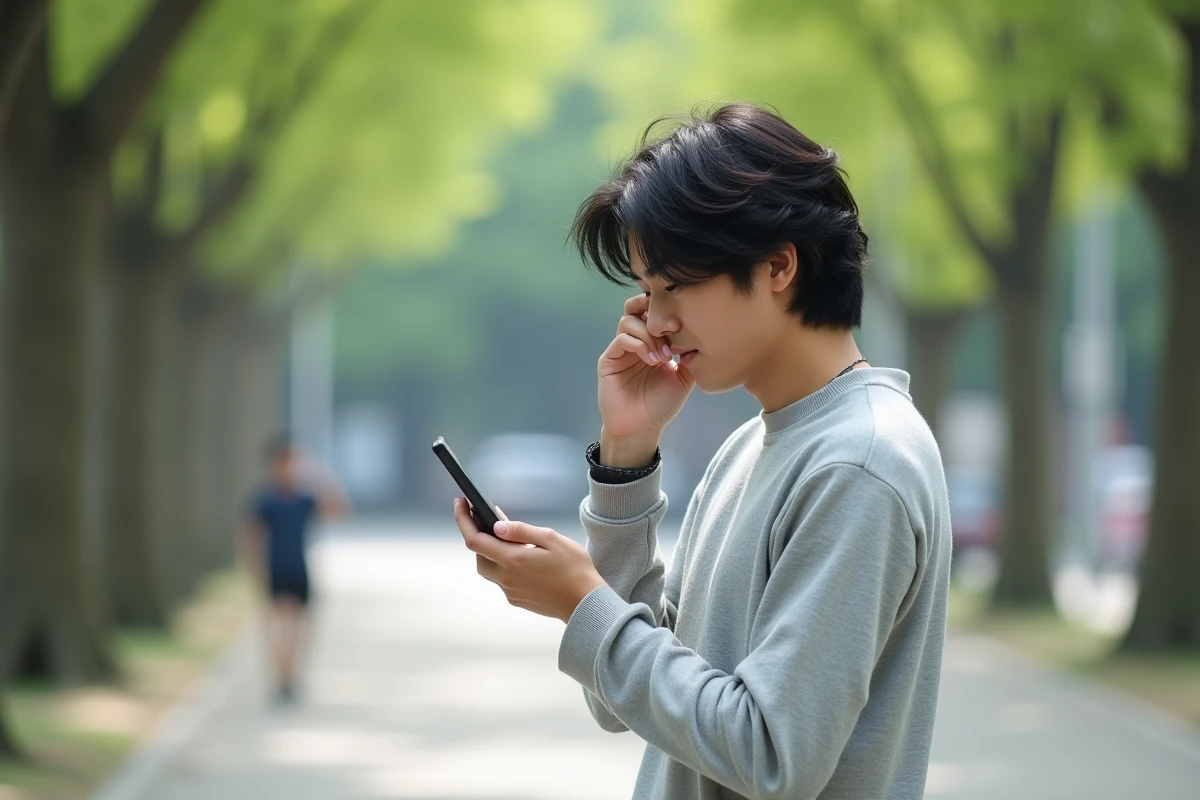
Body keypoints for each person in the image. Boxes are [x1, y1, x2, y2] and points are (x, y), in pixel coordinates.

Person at [451, 101, 951, 799]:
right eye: (645, 291)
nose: (654, 321)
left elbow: (770, 755)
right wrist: (626, 455)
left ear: (778, 265)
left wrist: (583, 602)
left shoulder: (861, 462)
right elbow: (621, 699)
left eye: (675, 285)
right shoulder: (751, 448)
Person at [243, 434, 349, 705]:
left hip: (300, 569)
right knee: (282, 625)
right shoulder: (266, 500)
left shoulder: (304, 498)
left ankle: (289, 676)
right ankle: (282, 679)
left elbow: (338, 512)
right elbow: (252, 537)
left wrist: (322, 479)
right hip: (277, 568)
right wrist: (255, 570)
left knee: (298, 628)